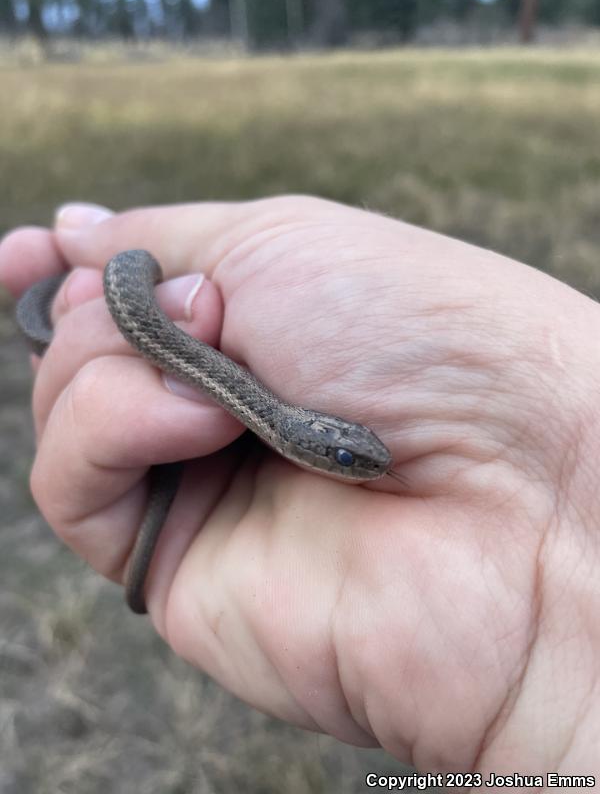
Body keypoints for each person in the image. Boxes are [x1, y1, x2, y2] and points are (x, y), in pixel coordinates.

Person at [0, 196, 598, 778]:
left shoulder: (283, 413)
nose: (362, 461)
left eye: (353, 454)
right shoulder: (256, 407)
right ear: (303, 445)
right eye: (345, 457)